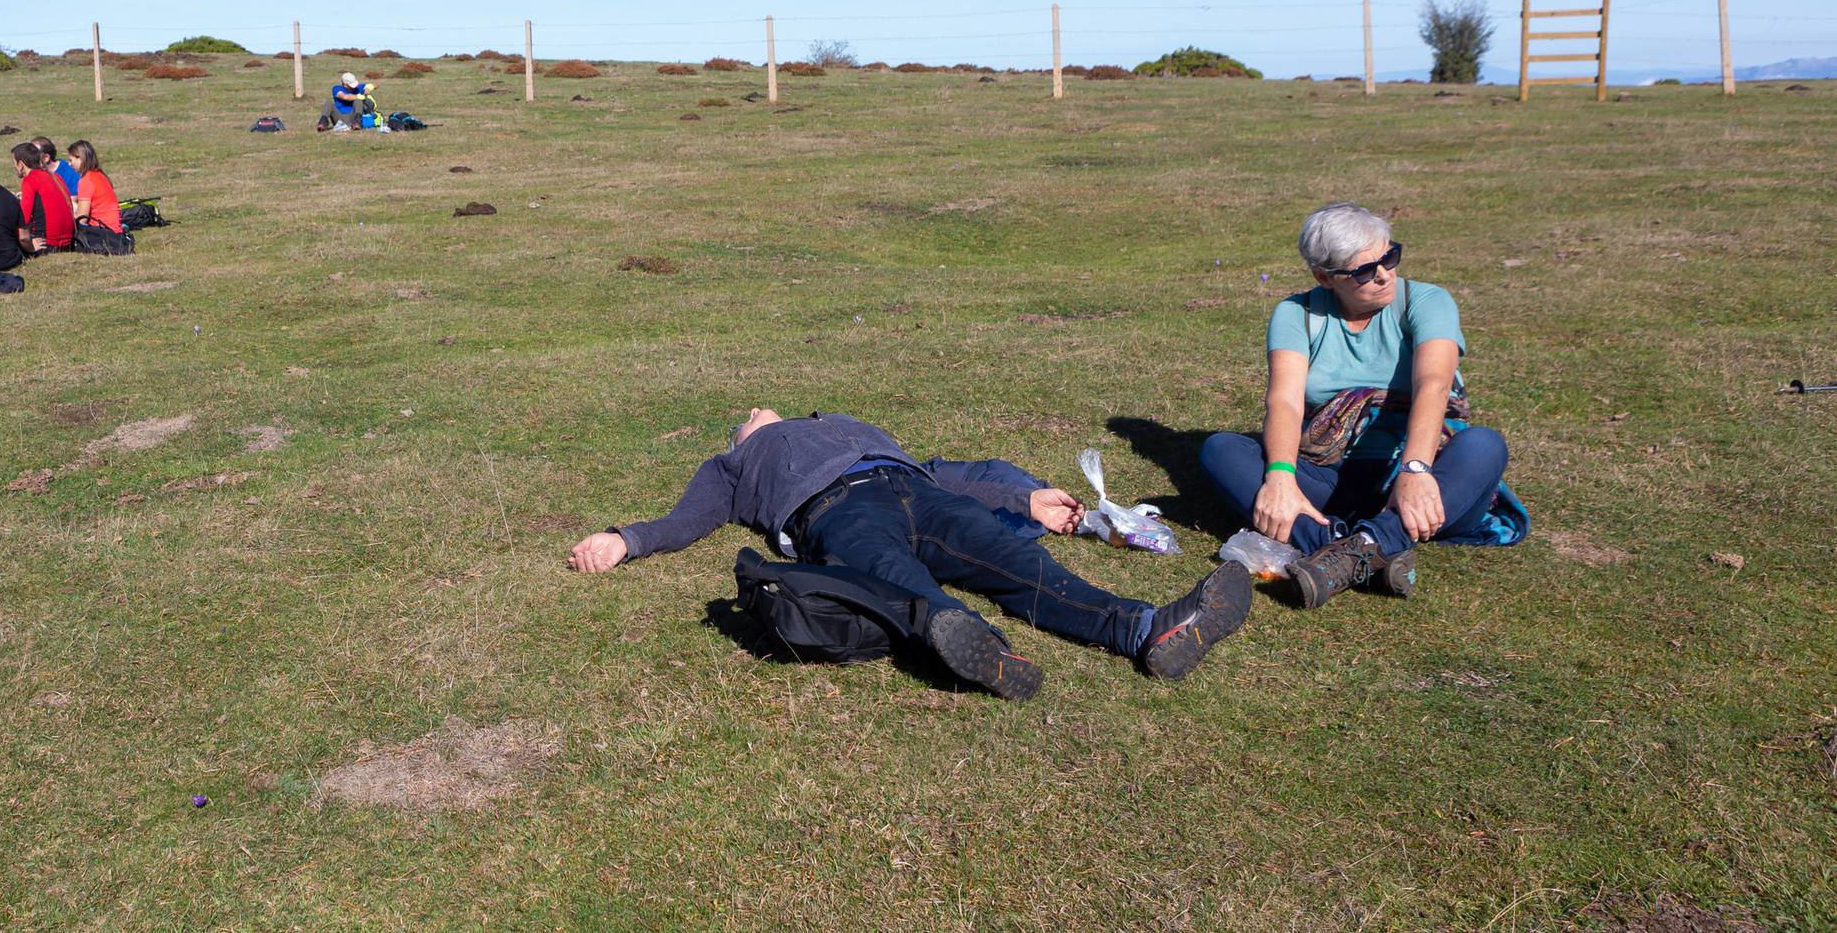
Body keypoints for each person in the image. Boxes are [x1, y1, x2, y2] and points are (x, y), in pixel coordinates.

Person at [567, 408, 1251, 699]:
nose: (755, 411)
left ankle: (1143, 630)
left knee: (1020, 566)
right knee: (893, 578)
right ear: (742, 433)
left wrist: (1023, 501)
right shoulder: (733, 463)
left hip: (914, 490)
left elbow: (941, 473)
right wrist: (622, 540)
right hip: (833, 513)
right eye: (747, 416)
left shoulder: (843, 424)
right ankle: (983, 652)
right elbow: (686, 520)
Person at [1196, 202, 1523, 610]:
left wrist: (1416, 470)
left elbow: (1433, 386)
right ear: (1324, 277)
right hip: (1333, 475)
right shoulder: (1298, 314)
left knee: (1483, 445)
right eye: (1364, 270)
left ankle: (1359, 547)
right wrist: (1281, 476)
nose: (1384, 274)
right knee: (1222, 450)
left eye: (1389, 256)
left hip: (1419, 478)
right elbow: (1284, 400)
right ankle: (1353, 548)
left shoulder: (1427, 301)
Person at [12, 141, 75, 255]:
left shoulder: (30, 180)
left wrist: (30, 246)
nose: (14, 167)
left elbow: (24, 219)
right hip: (69, 241)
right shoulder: (56, 176)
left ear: (21, 164)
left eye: (14, 163)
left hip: (46, 243)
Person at [65, 139, 121, 232]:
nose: (69, 164)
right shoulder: (99, 175)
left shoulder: (86, 181)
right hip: (114, 228)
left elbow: (82, 219)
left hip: (103, 231)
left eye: (71, 160)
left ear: (80, 158)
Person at [33, 135, 80, 202]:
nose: (29, 158)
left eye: (33, 155)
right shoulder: (37, 172)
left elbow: (72, 202)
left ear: (46, 157)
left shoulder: (69, 172)